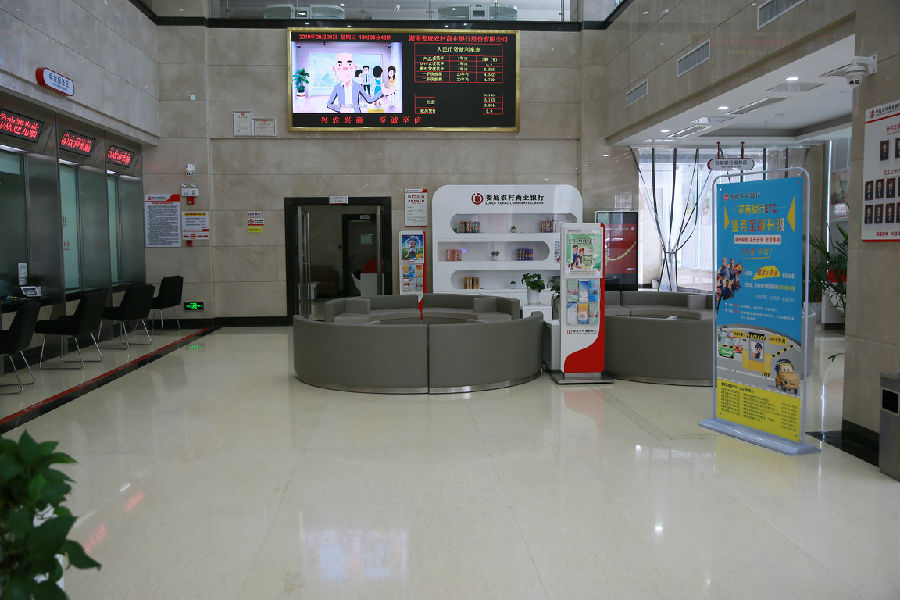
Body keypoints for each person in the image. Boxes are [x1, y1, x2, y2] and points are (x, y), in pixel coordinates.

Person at [326, 53, 394, 113]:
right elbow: (329, 104)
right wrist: (340, 109)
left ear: (354, 68)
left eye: (349, 64)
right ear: (335, 69)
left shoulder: (357, 86)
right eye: (340, 64)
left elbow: (369, 100)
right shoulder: (337, 87)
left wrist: (382, 92)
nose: (345, 68)